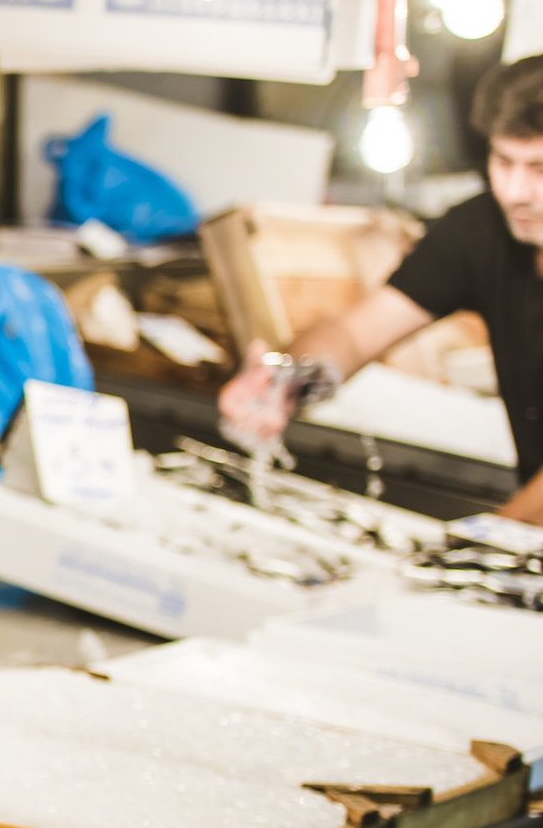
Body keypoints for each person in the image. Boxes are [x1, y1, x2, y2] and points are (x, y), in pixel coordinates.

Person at [218, 53, 543, 520]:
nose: (515, 192)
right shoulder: (481, 228)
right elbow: (354, 334)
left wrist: (486, 540)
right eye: (503, 161)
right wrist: (286, 380)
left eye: (539, 169)